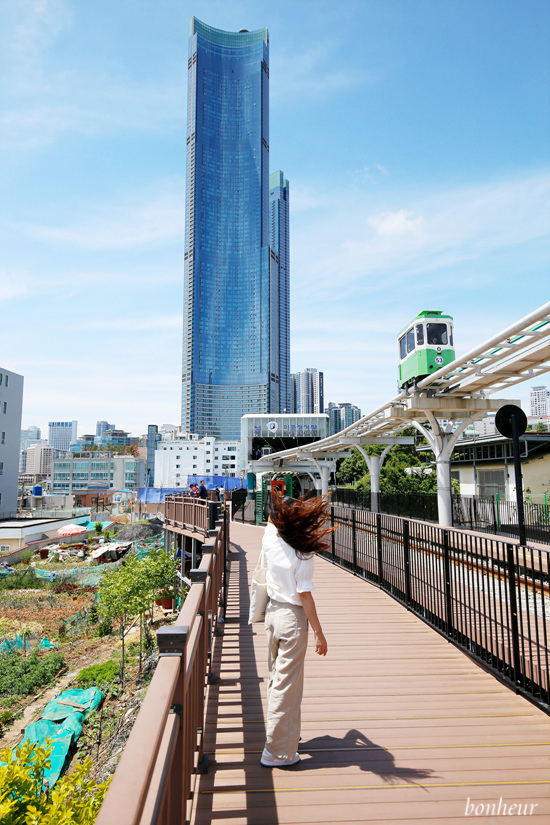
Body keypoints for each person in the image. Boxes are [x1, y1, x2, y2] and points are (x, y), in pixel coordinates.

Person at [260, 493, 333, 768]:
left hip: (272, 615)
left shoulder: (269, 538)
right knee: (287, 685)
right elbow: (305, 595)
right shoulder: (303, 552)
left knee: (276, 679)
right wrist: (319, 633)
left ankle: (283, 734)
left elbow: (270, 518)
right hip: (292, 619)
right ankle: (277, 752)